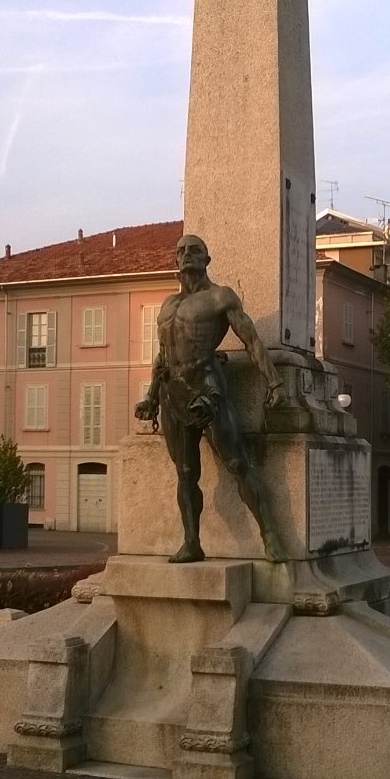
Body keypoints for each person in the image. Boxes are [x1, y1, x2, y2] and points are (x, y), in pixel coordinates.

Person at [134, 234, 285, 563]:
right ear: (175, 261)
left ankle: (269, 534)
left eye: (195, 250)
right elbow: (162, 355)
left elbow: (252, 341)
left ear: (207, 260)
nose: (187, 255)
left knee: (236, 463)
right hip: (172, 391)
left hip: (206, 386)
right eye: (181, 251)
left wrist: (275, 382)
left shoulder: (221, 297)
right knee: (186, 473)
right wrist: (151, 397)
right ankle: (192, 543)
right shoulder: (167, 306)